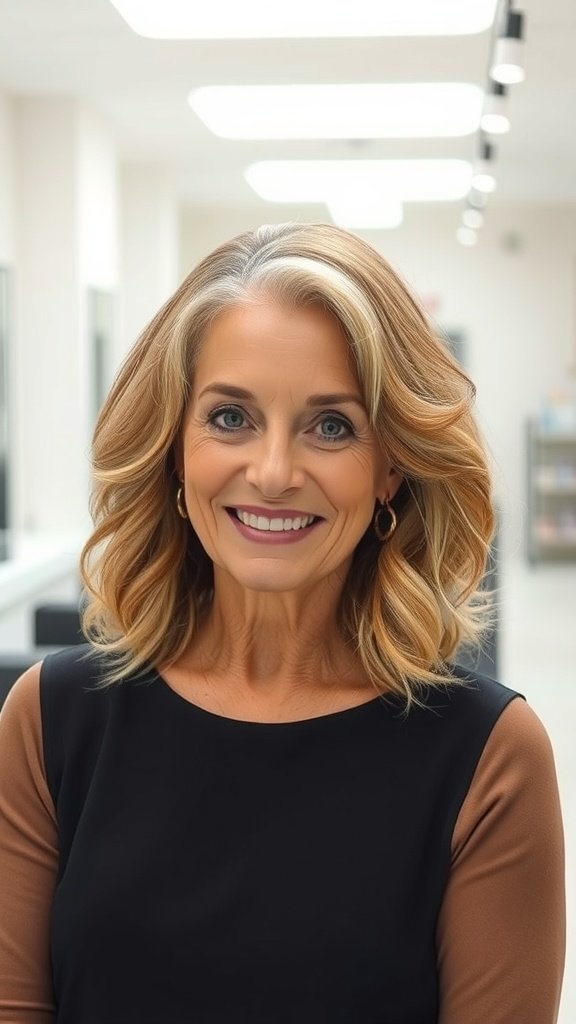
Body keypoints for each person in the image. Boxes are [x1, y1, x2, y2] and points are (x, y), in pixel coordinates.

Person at [0, 222, 565, 1023]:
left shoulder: (488, 758)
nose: (271, 473)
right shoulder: (50, 723)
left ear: (391, 467)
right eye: (230, 417)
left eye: (330, 425)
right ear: (174, 446)